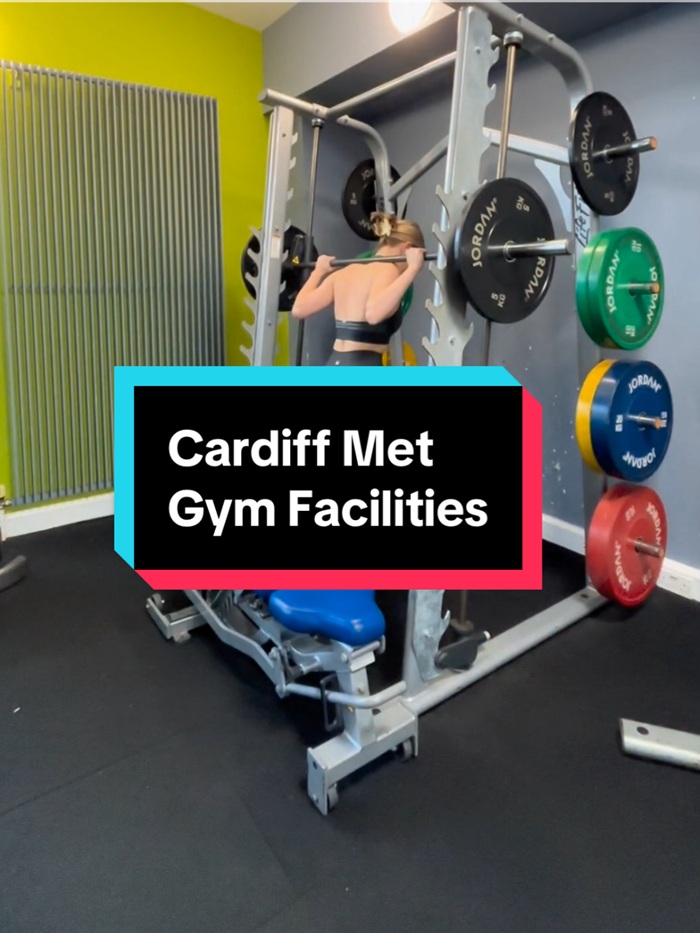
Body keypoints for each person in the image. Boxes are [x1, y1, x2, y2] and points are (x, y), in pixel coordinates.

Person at [291, 212, 427, 366]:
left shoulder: (346, 271)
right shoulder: (389, 269)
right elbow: (373, 315)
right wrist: (413, 269)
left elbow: (299, 309)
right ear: (407, 248)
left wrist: (318, 271)